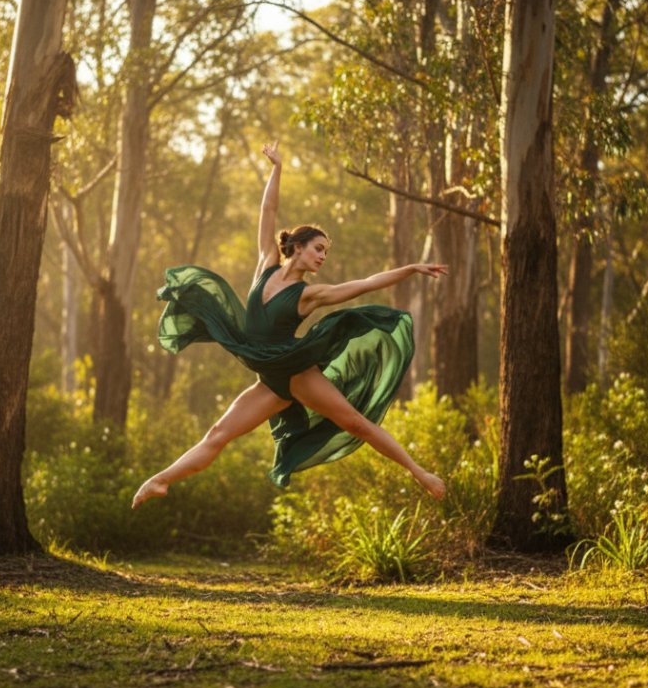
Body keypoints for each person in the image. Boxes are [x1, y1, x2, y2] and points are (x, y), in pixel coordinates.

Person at [132, 141, 447, 509]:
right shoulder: (265, 263)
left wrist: (410, 269)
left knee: (356, 424)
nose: (323, 257)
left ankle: (420, 473)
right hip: (270, 381)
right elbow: (268, 209)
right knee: (218, 433)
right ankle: (159, 481)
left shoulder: (308, 295)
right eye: (318, 249)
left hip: (298, 373)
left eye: (326, 253)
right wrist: (277, 167)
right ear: (297, 246)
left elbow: (363, 284)